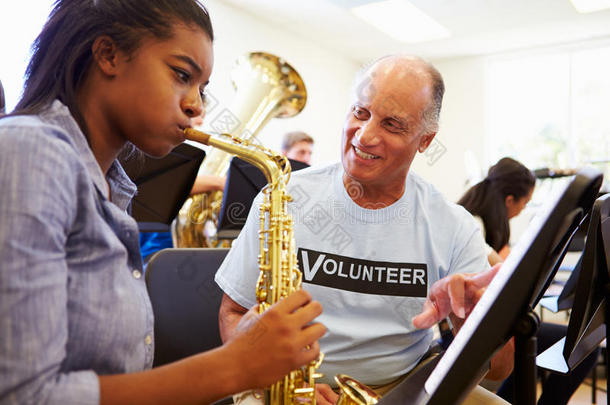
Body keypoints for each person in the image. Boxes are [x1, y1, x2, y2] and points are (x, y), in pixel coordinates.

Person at [0, 1, 326, 404]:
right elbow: (23, 396)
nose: (197, 106)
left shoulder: (109, 186)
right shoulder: (30, 151)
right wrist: (234, 366)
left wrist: (247, 355)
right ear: (108, 55)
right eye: (181, 75)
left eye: (202, 89)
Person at [216, 55, 514, 405]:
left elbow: (499, 369)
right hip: (284, 382)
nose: (366, 135)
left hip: (404, 387)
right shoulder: (280, 197)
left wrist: (472, 316)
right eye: (360, 112)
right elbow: (233, 313)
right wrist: (282, 383)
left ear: (425, 140)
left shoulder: (454, 225)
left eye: (392, 124)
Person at [458, 157, 600, 405]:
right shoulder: (471, 225)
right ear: (509, 200)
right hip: (465, 332)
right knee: (579, 348)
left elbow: (502, 264)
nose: (523, 210)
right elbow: (499, 273)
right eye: (525, 203)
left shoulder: (482, 223)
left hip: (487, 324)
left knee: (564, 346)